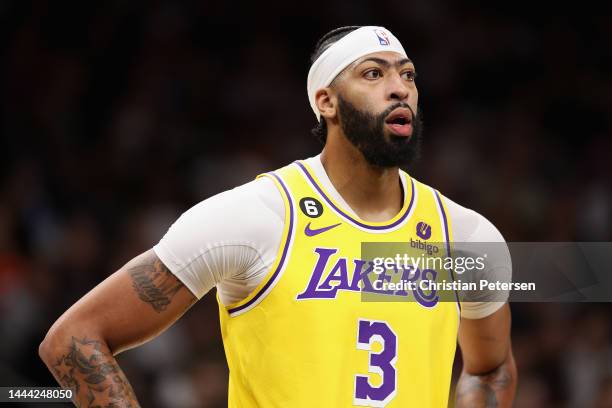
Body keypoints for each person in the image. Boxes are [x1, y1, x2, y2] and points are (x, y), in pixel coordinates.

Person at [39, 25, 516, 407]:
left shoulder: (466, 237)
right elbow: (73, 338)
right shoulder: (256, 216)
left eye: (408, 74)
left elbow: (489, 367)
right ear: (326, 101)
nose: (400, 88)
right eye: (374, 73)